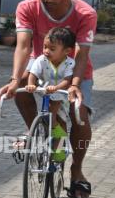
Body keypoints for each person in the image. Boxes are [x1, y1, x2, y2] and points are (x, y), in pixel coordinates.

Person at [0, 0, 96, 198]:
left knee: (79, 114)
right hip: (41, 67)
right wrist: (12, 79)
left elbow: (82, 54)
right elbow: (23, 45)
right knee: (19, 86)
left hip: (73, 71)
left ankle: (76, 170)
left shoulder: (86, 13)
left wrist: (74, 85)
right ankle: (42, 134)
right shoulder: (27, 7)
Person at [25, 27, 76, 162]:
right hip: (44, 91)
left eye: (52, 49)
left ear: (67, 51)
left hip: (60, 93)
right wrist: (31, 84)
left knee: (58, 119)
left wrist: (57, 87)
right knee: (45, 115)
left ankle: (60, 145)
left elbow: (67, 80)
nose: (46, 51)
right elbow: (33, 74)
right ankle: (43, 131)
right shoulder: (41, 59)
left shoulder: (69, 63)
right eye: (45, 47)